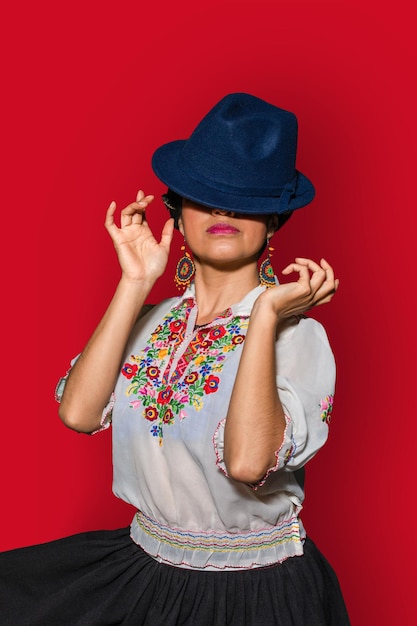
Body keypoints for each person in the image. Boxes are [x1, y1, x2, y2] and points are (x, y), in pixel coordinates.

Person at [0, 93, 349, 625]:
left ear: (274, 222)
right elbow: (78, 414)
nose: (223, 211)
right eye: (206, 196)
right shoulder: (151, 321)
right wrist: (135, 282)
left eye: (244, 200)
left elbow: (248, 463)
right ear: (177, 216)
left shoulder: (300, 337)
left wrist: (263, 317)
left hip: (256, 596)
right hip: (146, 575)